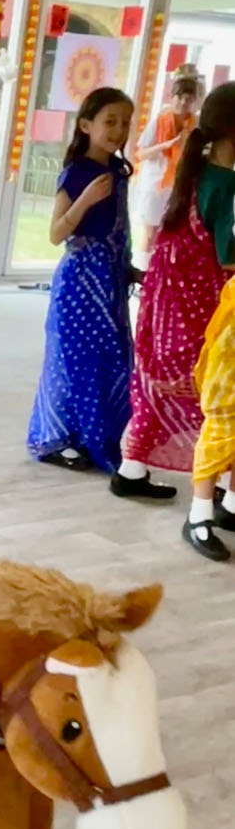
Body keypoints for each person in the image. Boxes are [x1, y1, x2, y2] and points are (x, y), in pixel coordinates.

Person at [113, 81, 235, 508]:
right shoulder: (227, 186)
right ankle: (219, 489)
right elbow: (228, 259)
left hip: (163, 306)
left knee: (154, 385)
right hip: (201, 310)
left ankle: (132, 468)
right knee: (217, 394)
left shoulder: (195, 171)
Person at [27, 88, 135, 474]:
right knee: (73, 360)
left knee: (111, 356)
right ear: (86, 125)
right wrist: (85, 199)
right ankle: (56, 439)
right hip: (80, 281)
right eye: (110, 121)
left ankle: (98, 436)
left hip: (111, 281)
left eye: (125, 122)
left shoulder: (119, 172)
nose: (119, 130)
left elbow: (120, 231)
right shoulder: (76, 173)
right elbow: (57, 234)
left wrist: (129, 269)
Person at [171, 84, 235, 561]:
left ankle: (227, 502)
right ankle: (200, 512)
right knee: (223, 411)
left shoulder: (214, 176)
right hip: (227, 312)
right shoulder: (222, 183)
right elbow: (228, 255)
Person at [132, 65, 203, 267]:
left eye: (188, 98)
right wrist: (167, 145)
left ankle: (158, 272)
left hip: (179, 186)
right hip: (154, 184)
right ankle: (142, 273)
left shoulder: (195, 126)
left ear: (195, 101)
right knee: (149, 233)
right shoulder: (159, 122)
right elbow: (140, 153)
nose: (183, 102)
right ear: (171, 97)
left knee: (168, 233)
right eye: (179, 97)